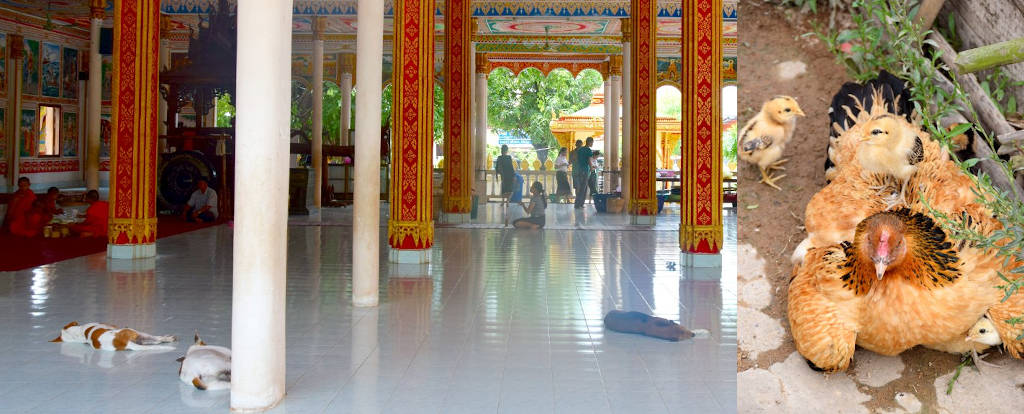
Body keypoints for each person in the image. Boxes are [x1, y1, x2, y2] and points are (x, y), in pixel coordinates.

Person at [573, 137, 594, 209]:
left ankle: (578, 204)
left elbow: (576, 159)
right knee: (583, 188)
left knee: (580, 188)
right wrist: (591, 168)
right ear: (590, 142)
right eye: (592, 142)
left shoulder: (580, 149)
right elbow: (589, 160)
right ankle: (579, 204)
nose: (592, 144)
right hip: (585, 170)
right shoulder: (588, 150)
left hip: (579, 170)